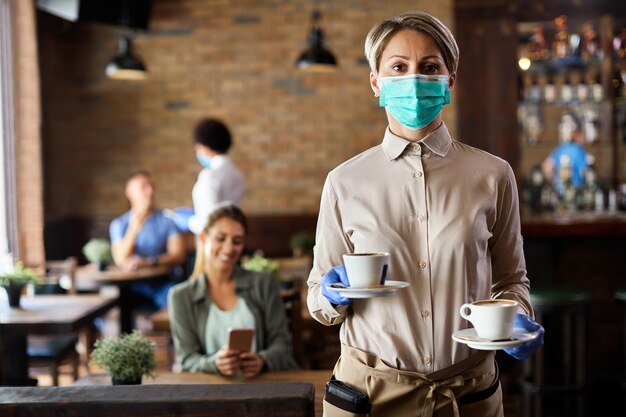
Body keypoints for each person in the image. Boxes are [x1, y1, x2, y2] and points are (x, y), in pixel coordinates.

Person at [306, 11, 544, 417]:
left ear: (449, 81)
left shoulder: (493, 174)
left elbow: (511, 280)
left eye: (429, 67)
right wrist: (329, 294)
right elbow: (317, 300)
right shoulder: (344, 182)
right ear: (375, 83)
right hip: (369, 395)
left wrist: (518, 318)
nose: (413, 78)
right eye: (398, 67)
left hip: (467, 394)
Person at [168, 203, 298, 376]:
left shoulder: (264, 283)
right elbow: (187, 359)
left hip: (263, 386)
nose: (229, 249)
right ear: (203, 238)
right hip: (210, 393)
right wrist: (214, 363)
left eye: (237, 241)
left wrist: (262, 360)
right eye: (221, 238)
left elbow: (282, 344)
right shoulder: (181, 296)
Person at [110, 171, 186, 310]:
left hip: (163, 284)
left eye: (151, 186)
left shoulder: (167, 220)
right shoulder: (119, 224)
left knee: (175, 299)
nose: (150, 191)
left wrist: (149, 262)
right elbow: (120, 259)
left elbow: (178, 256)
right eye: (144, 187)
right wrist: (134, 228)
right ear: (129, 192)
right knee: (114, 304)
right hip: (132, 287)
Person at [187, 118, 245, 235]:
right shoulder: (237, 173)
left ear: (206, 147)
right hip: (234, 232)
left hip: (214, 240)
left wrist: (189, 221)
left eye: (198, 147)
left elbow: (207, 222)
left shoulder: (209, 175)